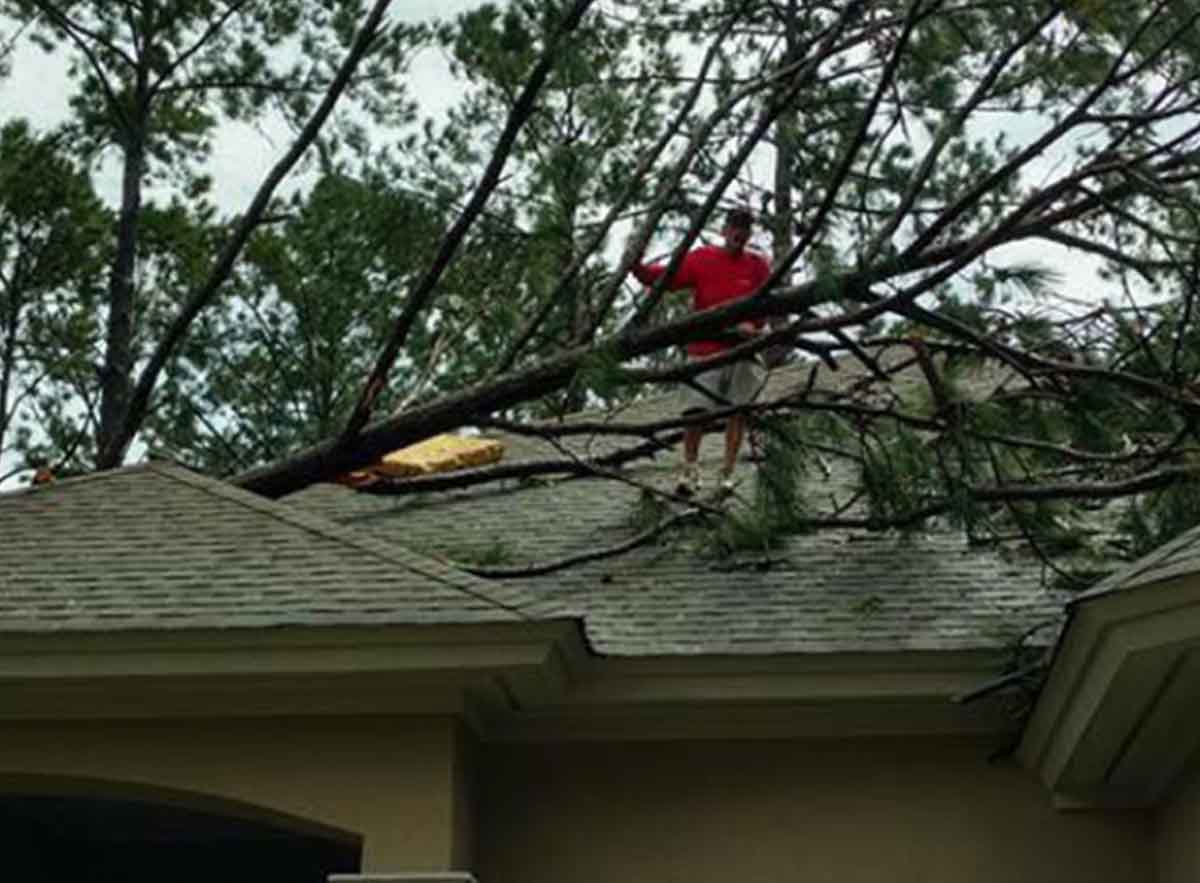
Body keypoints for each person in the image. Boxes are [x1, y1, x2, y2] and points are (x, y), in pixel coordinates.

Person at [626, 207, 771, 496]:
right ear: (724, 230)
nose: (739, 233)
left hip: (743, 349)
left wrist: (753, 326)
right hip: (706, 349)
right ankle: (689, 471)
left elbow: (766, 306)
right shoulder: (703, 258)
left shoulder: (758, 266)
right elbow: (664, 278)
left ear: (749, 234)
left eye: (745, 228)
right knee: (695, 412)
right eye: (734, 227)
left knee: (738, 411)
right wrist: (637, 266)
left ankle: (727, 473)